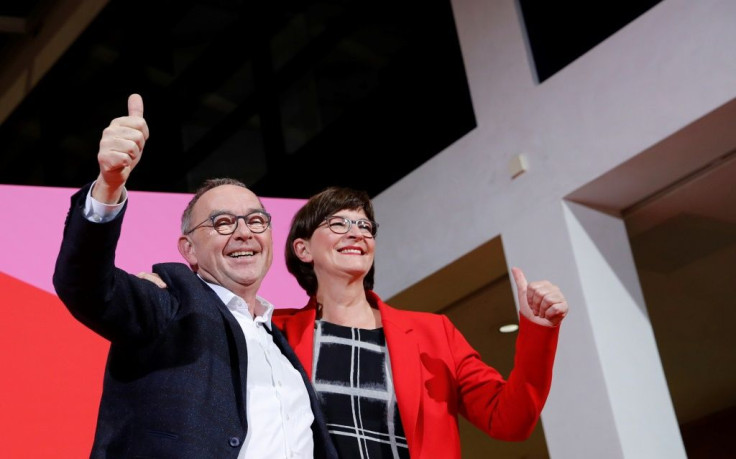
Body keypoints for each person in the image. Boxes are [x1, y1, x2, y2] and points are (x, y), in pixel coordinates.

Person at [52, 94, 337, 459]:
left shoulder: (279, 340)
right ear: (188, 250)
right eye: (222, 223)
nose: (244, 232)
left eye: (255, 220)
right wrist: (108, 185)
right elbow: (85, 285)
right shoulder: (170, 304)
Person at [271, 186, 569, 459]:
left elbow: (509, 421)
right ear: (303, 249)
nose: (357, 233)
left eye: (365, 226)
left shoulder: (434, 333)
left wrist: (539, 331)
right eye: (339, 223)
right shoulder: (275, 333)